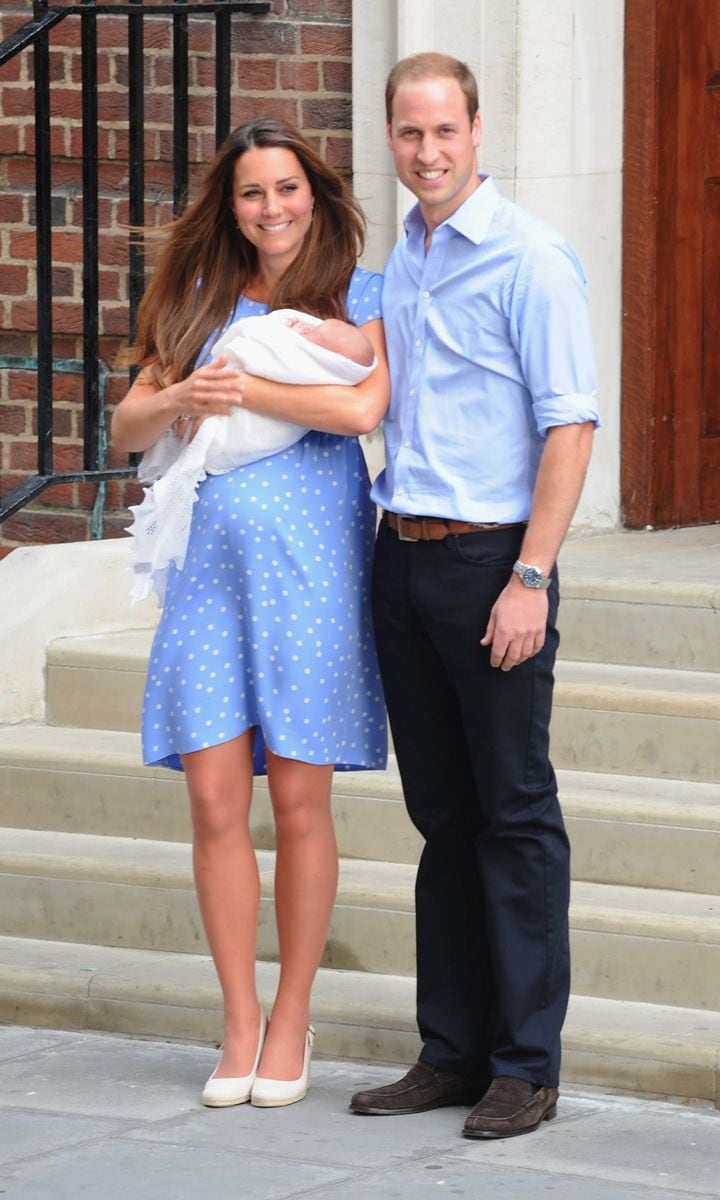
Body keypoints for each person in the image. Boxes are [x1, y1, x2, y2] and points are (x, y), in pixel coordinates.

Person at [111, 116, 390, 1109]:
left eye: (287, 188)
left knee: (301, 804)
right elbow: (129, 420)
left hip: (311, 571)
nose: (271, 207)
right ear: (228, 207)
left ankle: (290, 1016)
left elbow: (363, 410)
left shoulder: (356, 290)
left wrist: (250, 386)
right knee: (215, 801)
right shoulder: (196, 298)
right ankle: (236, 1019)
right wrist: (188, 389)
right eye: (251, 192)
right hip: (208, 579)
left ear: (315, 193)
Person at [348, 53, 599, 1138]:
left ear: (479, 132)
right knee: (442, 819)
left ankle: (523, 1065)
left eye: (445, 130)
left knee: (514, 815)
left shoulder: (530, 258)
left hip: (495, 562)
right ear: (392, 139)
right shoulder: (399, 257)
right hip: (400, 562)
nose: (428, 152)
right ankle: (449, 1051)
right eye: (409, 133)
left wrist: (531, 577)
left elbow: (571, 425)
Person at [127, 309, 377, 605]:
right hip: (208, 553)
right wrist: (175, 400)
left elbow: (360, 413)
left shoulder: (361, 297)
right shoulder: (200, 299)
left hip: (308, 553)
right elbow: (126, 434)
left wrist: (233, 383)